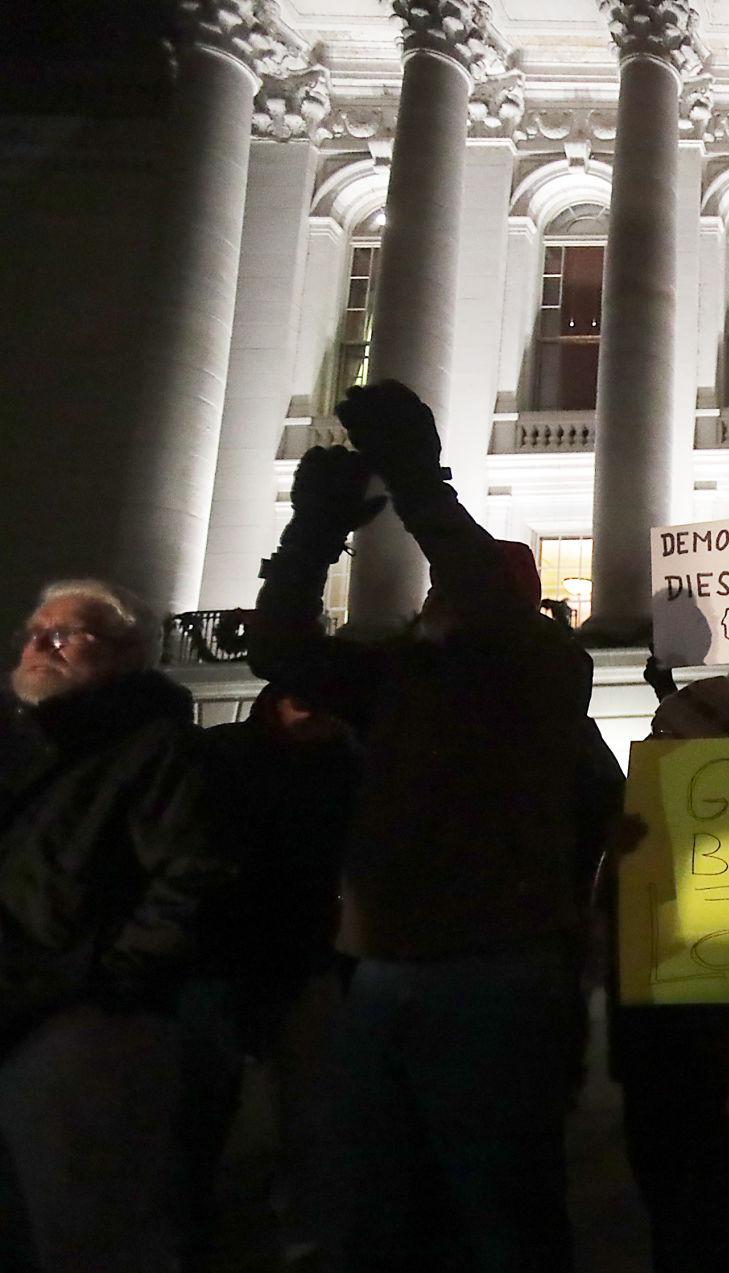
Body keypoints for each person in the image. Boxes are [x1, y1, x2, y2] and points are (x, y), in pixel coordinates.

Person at [249, 380, 597, 1273]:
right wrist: (313, 533)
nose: (442, 593)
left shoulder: (544, 668)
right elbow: (279, 651)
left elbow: (486, 598)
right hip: (383, 963)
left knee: (500, 1214)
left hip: (493, 966)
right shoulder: (400, 678)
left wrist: (421, 484)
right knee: (383, 1211)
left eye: (460, 583)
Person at [0, 578, 229, 1272]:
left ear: (128, 653)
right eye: (34, 633)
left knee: (91, 1229)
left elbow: (194, 876)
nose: (40, 645)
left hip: (83, 1026)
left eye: (65, 634)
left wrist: (111, 984)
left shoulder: (158, 749)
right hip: (22, 1003)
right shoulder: (34, 746)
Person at [175, 686, 360, 1273]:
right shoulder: (230, 755)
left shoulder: (343, 763)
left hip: (288, 948)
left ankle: (300, 1224)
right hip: (231, 948)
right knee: (210, 1102)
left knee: (308, 1106)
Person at [605, 674, 729, 1273]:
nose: (654, 742)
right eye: (654, 731)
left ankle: (713, 1250)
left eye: (667, 733)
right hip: (643, 997)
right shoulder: (637, 804)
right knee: (656, 1135)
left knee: (696, 1133)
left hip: (700, 1002)